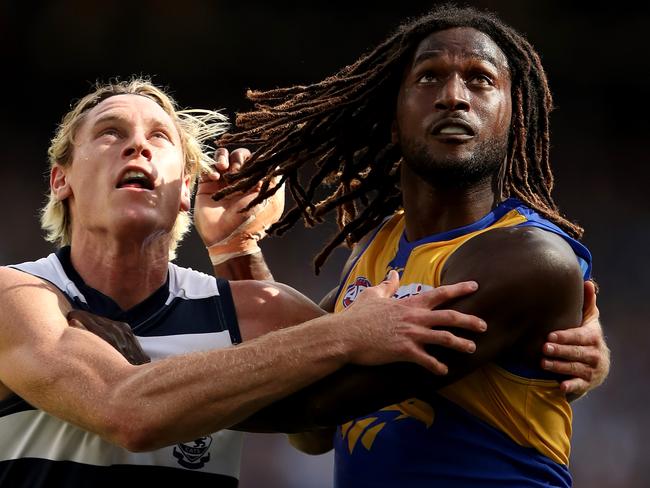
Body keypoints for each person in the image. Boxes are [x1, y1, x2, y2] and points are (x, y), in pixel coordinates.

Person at [0, 78, 493, 486]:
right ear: (59, 180)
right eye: (110, 132)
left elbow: (315, 430)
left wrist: (563, 335)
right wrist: (345, 333)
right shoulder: (16, 295)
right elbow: (125, 411)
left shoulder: (244, 310)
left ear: (184, 190)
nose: (136, 145)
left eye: (160, 137)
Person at [200, 5, 610, 486]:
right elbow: (311, 425)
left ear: (510, 118)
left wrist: (140, 382)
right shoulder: (377, 251)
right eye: (429, 77)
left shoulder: (532, 259)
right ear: (394, 119)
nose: (454, 97)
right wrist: (237, 247)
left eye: (480, 80)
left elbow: (305, 406)